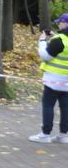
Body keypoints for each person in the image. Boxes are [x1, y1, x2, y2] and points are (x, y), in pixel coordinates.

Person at [29, 13, 68, 143]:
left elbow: (45, 55)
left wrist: (42, 41)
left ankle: (45, 134)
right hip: (67, 82)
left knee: (48, 106)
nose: (59, 24)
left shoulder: (59, 40)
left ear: (65, 24)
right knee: (65, 107)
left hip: (53, 80)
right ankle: (64, 135)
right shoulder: (60, 38)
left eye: (60, 22)